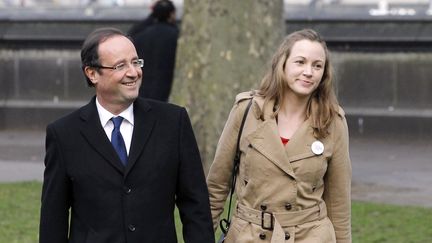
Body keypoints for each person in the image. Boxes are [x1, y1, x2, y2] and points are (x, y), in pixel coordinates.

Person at [39, 27, 214, 243]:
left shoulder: (173, 122)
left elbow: (195, 205)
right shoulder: (64, 134)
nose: (133, 72)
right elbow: (52, 220)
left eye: (136, 62)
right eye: (120, 65)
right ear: (92, 73)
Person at [207, 29, 352, 243]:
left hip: (310, 235)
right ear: (282, 64)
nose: (309, 72)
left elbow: (339, 202)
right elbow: (217, 186)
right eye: (300, 62)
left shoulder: (333, 122)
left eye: (317, 65)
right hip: (249, 235)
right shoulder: (246, 111)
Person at [129, 0, 179, 102]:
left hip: (142, 86)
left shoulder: (139, 33)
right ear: (171, 14)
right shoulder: (175, 35)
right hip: (165, 86)